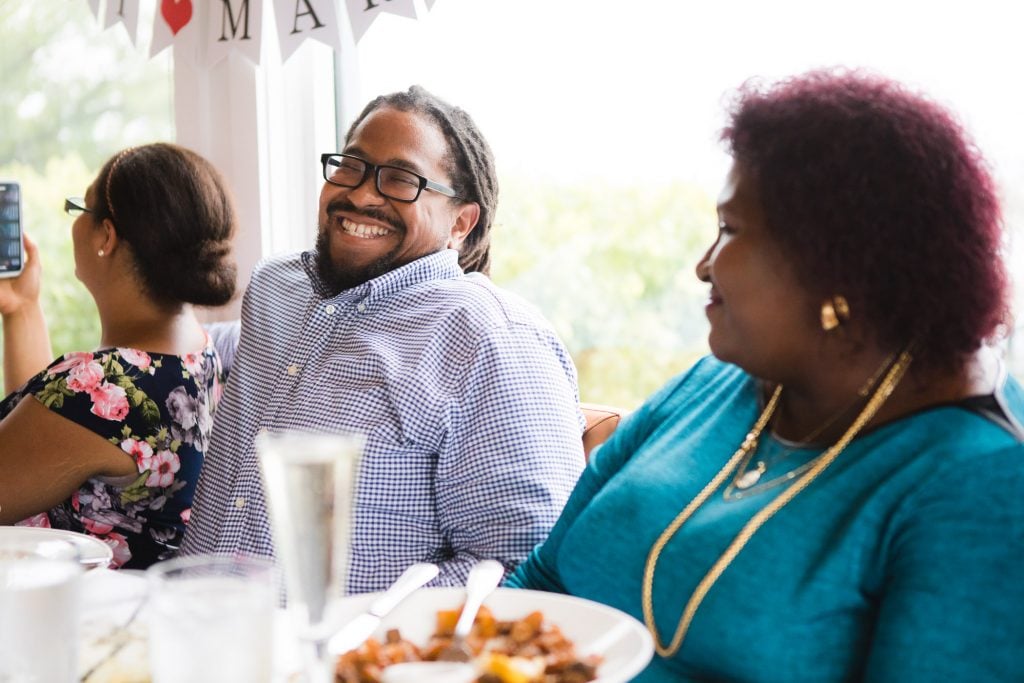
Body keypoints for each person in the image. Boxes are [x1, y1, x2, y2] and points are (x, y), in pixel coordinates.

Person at [507, 68, 1024, 681]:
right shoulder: (707, 387)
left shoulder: (981, 480)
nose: (703, 266)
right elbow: (537, 585)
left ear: (837, 266)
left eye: (729, 228)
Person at [181, 86, 585, 592]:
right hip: (191, 628)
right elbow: (198, 346)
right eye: (351, 167)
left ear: (461, 223)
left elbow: (523, 568)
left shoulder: (494, 341)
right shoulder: (273, 290)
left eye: (401, 180)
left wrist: (354, 639)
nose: (363, 195)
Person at [0, 143, 237, 569]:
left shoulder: (101, 383)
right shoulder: (196, 354)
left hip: (64, 620)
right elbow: (43, 432)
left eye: (80, 209)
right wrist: (22, 307)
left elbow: (57, 421)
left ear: (106, 236)